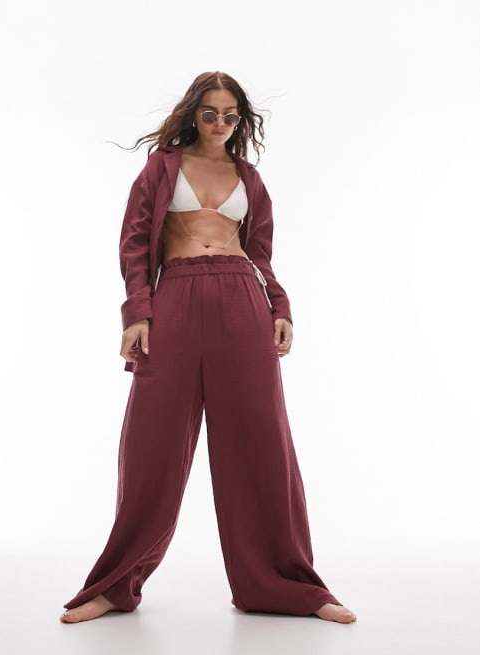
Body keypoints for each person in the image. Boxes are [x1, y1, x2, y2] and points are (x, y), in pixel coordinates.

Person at [60, 71, 356, 624]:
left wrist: (281, 307)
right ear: (194, 114)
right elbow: (133, 244)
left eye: (230, 115)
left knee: (262, 442)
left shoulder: (249, 177)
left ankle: (288, 587)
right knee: (151, 446)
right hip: (175, 298)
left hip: (243, 300)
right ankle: (114, 586)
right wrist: (137, 313)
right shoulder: (162, 167)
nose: (220, 124)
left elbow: (260, 252)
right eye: (210, 113)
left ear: (240, 120)